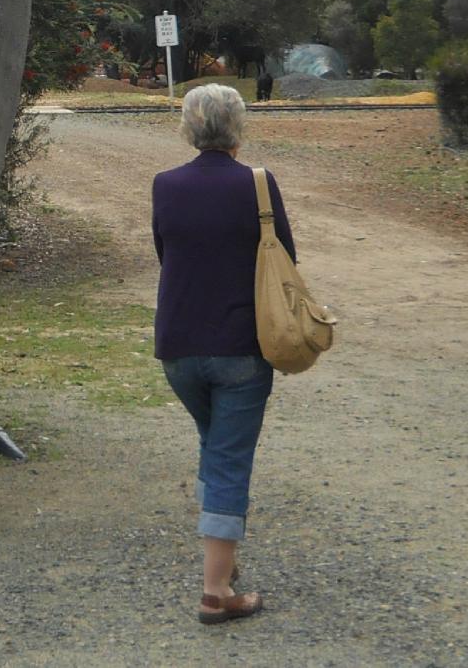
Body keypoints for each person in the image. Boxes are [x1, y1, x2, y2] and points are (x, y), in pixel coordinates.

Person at [151, 82, 296, 624]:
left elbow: (165, 251)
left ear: (189, 128)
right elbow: (287, 259)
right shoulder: (258, 186)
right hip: (241, 349)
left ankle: (224, 560)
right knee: (229, 459)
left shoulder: (165, 185)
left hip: (179, 348)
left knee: (215, 446)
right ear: (239, 127)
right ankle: (216, 593)